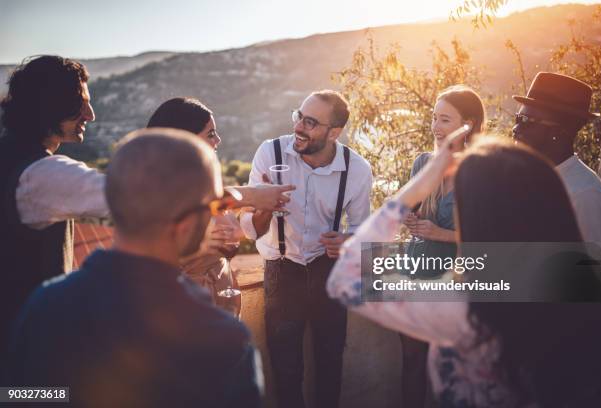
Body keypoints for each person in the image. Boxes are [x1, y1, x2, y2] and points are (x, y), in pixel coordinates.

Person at [328, 132, 601, 407]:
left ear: (480, 218)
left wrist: (420, 185)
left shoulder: (466, 309)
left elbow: (345, 277)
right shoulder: (586, 292)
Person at [4, 128, 263, 407]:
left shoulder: (46, 305)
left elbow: (19, 396)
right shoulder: (223, 339)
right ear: (187, 224)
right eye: (213, 207)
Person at [240, 90, 373, 407]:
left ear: (334, 133)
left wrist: (348, 242)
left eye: (311, 123)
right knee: (286, 371)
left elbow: (363, 232)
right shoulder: (269, 153)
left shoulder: (357, 170)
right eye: (299, 116)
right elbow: (250, 228)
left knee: (330, 364)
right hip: (282, 271)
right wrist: (264, 207)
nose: (299, 127)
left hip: (330, 274)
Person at [0, 55, 107, 364]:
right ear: (50, 105)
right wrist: (243, 195)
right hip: (27, 355)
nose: (91, 114)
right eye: (81, 103)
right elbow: (132, 198)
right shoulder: (43, 174)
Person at [147, 97, 294, 313]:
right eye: (210, 134)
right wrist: (253, 196)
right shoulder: (159, 189)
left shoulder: (203, 182)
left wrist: (265, 209)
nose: (218, 140)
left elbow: (241, 232)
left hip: (223, 301)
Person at [401, 85, 485, 407]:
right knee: (411, 363)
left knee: (453, 370)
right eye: (434, 118)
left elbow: (487, 239)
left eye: (445, 120)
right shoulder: (423, 163)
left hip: (456, 285)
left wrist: (440, 234)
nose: (435, 127)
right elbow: (410, 211)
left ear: (470, 125)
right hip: (413, 276)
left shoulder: (481, 172)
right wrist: (409, 219)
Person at [512, 72, 601, 242]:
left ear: (559, 131)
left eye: (527, 120)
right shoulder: (522, 179)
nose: (516, 128)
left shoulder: (586, 197)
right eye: (518, 118)